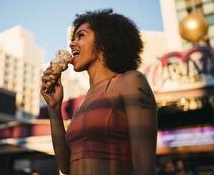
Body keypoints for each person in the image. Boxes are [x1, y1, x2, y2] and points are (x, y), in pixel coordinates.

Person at [41, 9, 157, 175]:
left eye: (80, 36)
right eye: (72, 39)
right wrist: (54, 107)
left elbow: (144, 168)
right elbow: (66, 167)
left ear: (104, 41)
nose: (71, 44)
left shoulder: (130, 81)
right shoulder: (84, 102)